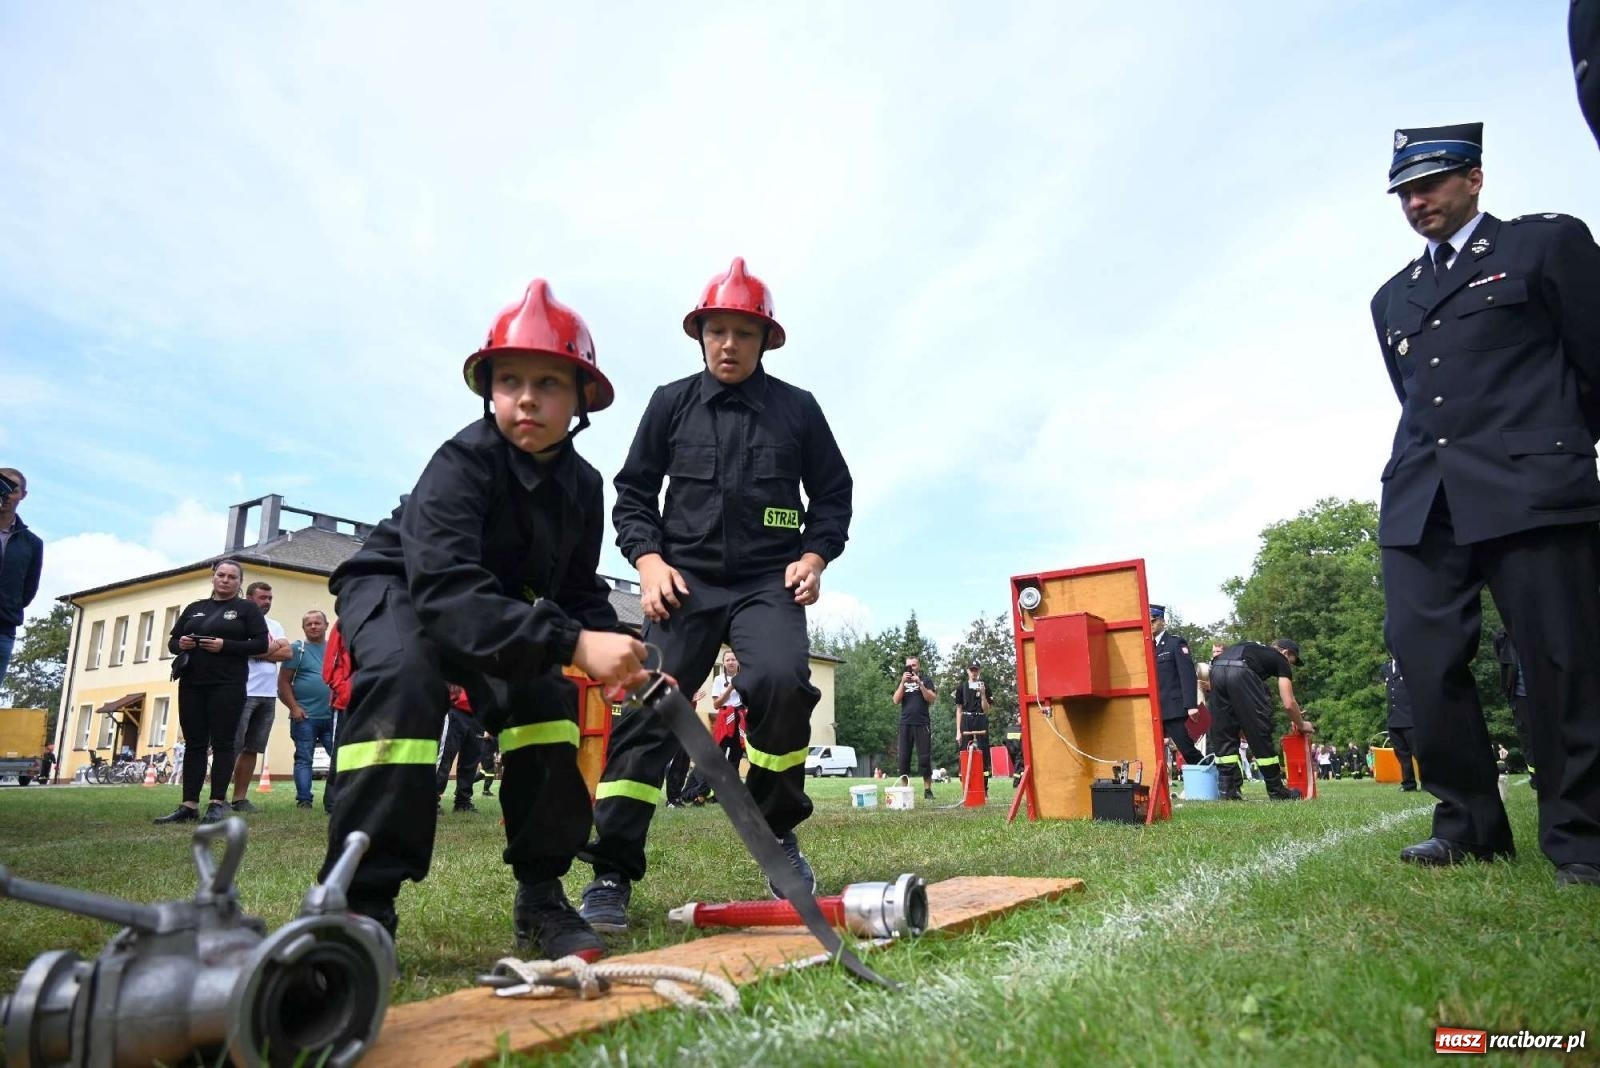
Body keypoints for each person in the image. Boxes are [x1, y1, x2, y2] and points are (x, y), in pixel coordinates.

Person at [316, 278, 647, 957]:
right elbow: (444, 594)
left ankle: (542, 899)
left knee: (547, 705)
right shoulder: (460, 463)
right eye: (511, 380)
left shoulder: (583, 488)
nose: (528, 398)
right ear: (489, 390)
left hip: (492, 609)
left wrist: (626, 646)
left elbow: (574, 589)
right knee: (406, 682)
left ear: (582, 398)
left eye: (550, 383)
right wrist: (572, 640)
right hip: (402, 588)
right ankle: (359, 905)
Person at [579, 257, 853, 933]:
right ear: (700, 336)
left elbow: (834, 495)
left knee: (783, 685)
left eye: (743, 332)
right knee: (649, 709)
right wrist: (646, 562)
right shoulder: (670, 404)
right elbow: (634, 494)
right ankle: (611, 870)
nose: (728, 344)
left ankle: (777, 835)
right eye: (717, 331)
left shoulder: (799, 410)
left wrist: (814, 557)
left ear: (765, 340)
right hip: (685, 585)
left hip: (768, 584)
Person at [1372, 123, 1600, 886]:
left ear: (1473, 178)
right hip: (1423, 495)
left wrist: (1565, 451)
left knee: (1560, 659)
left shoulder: (1543, 246)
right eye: (1405, 189)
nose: (1417, 199)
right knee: (1423, 657)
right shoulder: (1393, 296)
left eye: (1431, 182)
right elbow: (1416, 396)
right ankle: (1468, 823)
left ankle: (1581, 836)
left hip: (1531, 483)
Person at [154, 559, 269, 824]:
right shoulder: (195, 608)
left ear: (240, 582)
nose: (225, 580)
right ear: (213, 577)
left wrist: (225, 645)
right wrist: (180, 643)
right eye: (221, 575)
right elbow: (173, 641)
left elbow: (261, 644)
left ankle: (217, 802)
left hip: (228, 684)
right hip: (192, 682)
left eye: (232, 577)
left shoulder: (246, 609)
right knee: (194, 743)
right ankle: (188, 804)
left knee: (223, 743)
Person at [1206, 639, 1313, 800]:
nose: (1289, 666)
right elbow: (1289, 703)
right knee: (1259, 731)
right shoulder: (1279, 658)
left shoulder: (1249, 648)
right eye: (1292, 661)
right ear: (1285, 653)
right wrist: (1301, 723)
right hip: (1242, 673)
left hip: (1216, 670)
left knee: (1224, 732)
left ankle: (1227, 790)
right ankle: (1277, 791)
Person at [228, 581, 291, 813]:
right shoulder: (238, 623)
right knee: (232, 746)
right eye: (263, 597)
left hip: (267, 695)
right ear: (249, 598)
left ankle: (240, 798)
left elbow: (288, 651)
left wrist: (256, 649)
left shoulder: (275, 625)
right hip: (243, 692)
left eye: (270, 598)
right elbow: (239, 649)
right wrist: (268, 649)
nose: (267, 602)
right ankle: (219, 798)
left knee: (252, 748)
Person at [281, 609, 338, 811]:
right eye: (309, 624)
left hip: (333, 716)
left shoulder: (335, 649)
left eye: (317, 623)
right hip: (305, 717)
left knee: (339, 758)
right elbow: (283, 684)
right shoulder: (298, 649)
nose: (313, 626)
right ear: (303, 628)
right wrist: (294, 708)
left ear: (326, 625)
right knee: (304, 759)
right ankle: (304, 800)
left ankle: (337, 799)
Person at [0, 467, 43, 689]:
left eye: (12, 488)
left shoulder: (32, 544)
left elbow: (28, 590)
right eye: (1, 486)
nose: (5, 494)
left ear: (22, 495)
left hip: (3, 628)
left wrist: (8, 606)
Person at [1150, 605, 1203, 768]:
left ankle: (1208, 773)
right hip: (1154, 709)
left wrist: (1191, 705)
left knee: (1186, 748)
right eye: (1148, 621)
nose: (1150, 624)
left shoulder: (1175, 643)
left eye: (1153, 620)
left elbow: (1187, 675)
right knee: (1154, 751)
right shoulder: (1146, 646)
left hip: (1173, 708)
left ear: (1162, 621)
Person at [892, 653, 935, 800]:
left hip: (922, 723)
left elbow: (931, 699)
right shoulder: (902, 680)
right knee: (903, 758)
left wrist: (920, 684)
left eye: (914, 665)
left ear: (919, 666)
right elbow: (895, 700)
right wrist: (903, 683)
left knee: (924, 758)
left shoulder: (926, 680)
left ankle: (927, 790)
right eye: (909, 665)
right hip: (906, 723)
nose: (911, 668)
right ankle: (904, 790)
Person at [435, 684, 484, 814]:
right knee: (445, 756)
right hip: (454, 708)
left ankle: (463, 802)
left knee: (471, 760)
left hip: (478, 713)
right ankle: (431, 800)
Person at [1378, 657, 1416, 792]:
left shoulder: (1409, 665)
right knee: (1402, 754)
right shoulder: (1386, 668)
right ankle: (1408, 783)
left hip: (1410, 718)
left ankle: (1429, 782)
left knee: (1419, 752)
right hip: (1394, 718)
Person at [710, 649, 749, 776]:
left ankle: (731, 792)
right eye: (727, 660)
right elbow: (716, 704)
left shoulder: (746, 678)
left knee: (736, 757)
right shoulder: (719, 679)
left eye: (733, 659)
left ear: (738, 662)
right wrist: (731, 687)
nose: (731, 662)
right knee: (717, 756)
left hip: (740, 718)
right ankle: (709, 791)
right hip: (724, 718)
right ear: (724, 663)